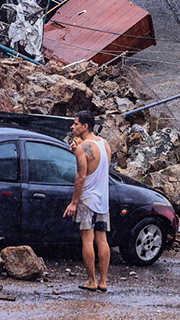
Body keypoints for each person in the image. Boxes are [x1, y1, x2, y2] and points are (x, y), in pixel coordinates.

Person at [64, 110, 112, 293]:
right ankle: (103, 281)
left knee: (87, 239)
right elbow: (104, 167)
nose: (72, 127)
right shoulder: (105, 144)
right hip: (103, 199)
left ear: (85, 126)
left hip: (87, 198)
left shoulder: (83, 148)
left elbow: (80, 176)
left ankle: (91, 280)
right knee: (102, 239)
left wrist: (74, 202)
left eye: (76, 124)